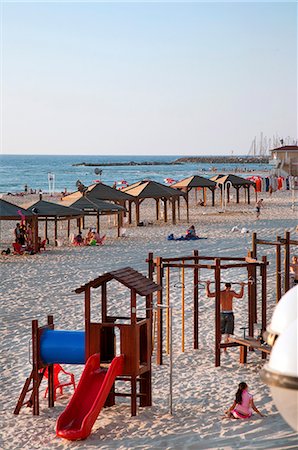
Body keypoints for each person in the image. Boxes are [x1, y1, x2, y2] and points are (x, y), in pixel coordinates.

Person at [206, 281, 244, 347]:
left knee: (227, 332)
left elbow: (240, 296)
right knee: (221, 332)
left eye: (228, 288)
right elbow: (209, 295)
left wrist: (242, 287)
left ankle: (224, 347)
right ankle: (219, 346)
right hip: (223, 313)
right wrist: (207, 285)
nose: (228, 289)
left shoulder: (229, 293)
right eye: (227, 288)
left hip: (227, 313)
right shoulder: (222, 293)